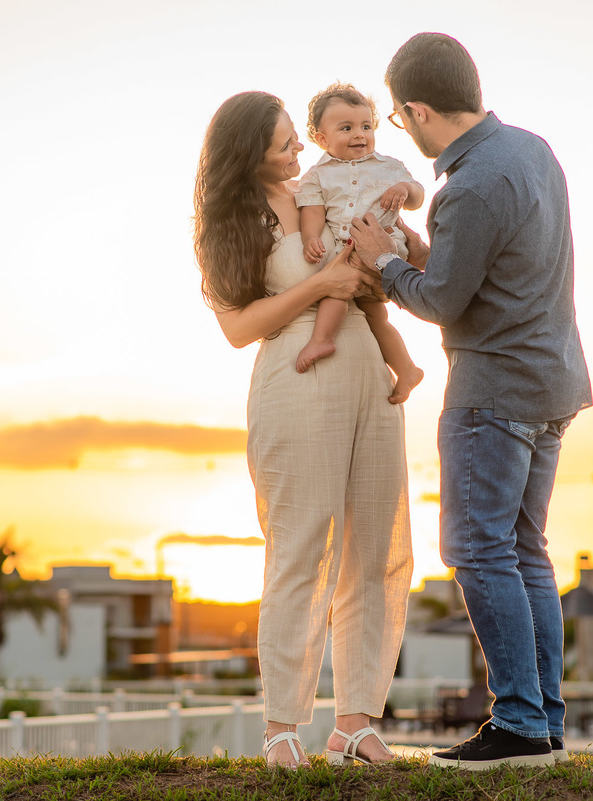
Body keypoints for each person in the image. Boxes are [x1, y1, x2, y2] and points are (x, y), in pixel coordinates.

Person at [350, 33, 593, 771]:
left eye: (397, 118)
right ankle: (543, 721)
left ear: (417, 109)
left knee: (478, 549)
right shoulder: (531, 150)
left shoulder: (470, 184)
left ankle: (518, 722)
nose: (403, 130)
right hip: (553, 381)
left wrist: (384, 263)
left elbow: (446, 303)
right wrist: (429, 255)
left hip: (495, 393)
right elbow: (494, 270)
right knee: (524, 551)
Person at [194, 91, 414, 769]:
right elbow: (237, 327)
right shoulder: (232, 219)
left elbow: (387, 262)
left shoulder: (330, 187)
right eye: (285, 143)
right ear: (247, 151)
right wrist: (322, 288)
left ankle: (356, 720)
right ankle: (282, 725)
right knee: (300, 550)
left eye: (297, 139)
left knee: (377, 550)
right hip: (294, 375)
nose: (298, 152)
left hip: (368, 373)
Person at [294, 82, 424, 404]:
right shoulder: (316, 176)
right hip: (347, 246)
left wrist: (406, 190)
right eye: (347, 128)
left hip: (384, 245)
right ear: (322, 139)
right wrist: (311, 238)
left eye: (366, 126)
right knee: (376, 317)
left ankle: (322, 339)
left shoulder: (389, 167)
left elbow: (419, 194)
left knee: (337, 284)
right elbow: (312, 211)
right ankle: (407, 369)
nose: (359, 135)